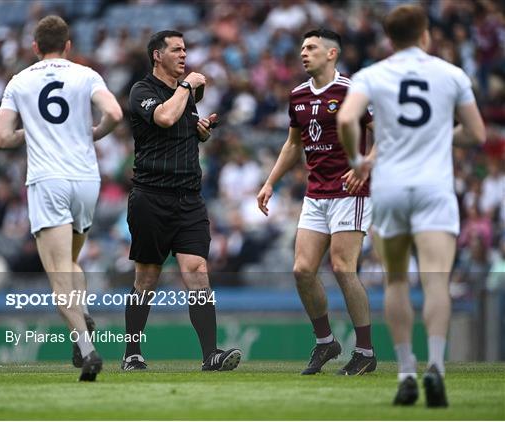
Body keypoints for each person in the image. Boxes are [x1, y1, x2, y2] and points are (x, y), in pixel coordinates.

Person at [337, 4, 485, 407]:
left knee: (397, 281)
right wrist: (441, 134)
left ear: (389, 39)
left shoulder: (371, 74)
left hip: (390, 190)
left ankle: (405, 371)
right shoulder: (450, 74)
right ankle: (435, 365)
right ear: (425, 34)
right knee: (437, 282)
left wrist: (357, 161)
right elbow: (476, 132)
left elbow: (347, 119)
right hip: (435, 189)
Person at [0, 15, 123, 381]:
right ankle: (82, 317)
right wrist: (95, 132)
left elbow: (0, 137)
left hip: (47, 180)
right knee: (70, 262)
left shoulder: (20, 81)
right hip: (85, 179)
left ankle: (86, 348)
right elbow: (114, 112)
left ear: (34, 47)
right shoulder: (86, 74)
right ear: (68, 45)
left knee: (57, 275)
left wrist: (30, 132)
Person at [256, 29, 377, 376]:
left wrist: (365, 166)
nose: (304, 53)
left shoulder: (353, 91)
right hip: (316, 193)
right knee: (302, 270)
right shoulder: (297, 95)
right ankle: (326, 342)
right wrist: (270, 182)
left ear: (331, 53)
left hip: (349, 191)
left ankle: (365, 351)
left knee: (342, 267)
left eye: (311, 47)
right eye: (302, 48)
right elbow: (293, 144)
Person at [123, 30, 241, 371]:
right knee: (147, 277)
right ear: (157, 55)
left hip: (189, 198)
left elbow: (178, 127)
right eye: (176, 49)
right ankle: (132, 352)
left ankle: (210, 355)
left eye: (186, 49)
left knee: (198, 272)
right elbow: (163, 117)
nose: (184, 54)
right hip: (151, 197)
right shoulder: (142, 91)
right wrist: (188, 86)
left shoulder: (184, 97)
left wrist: (198, 130)